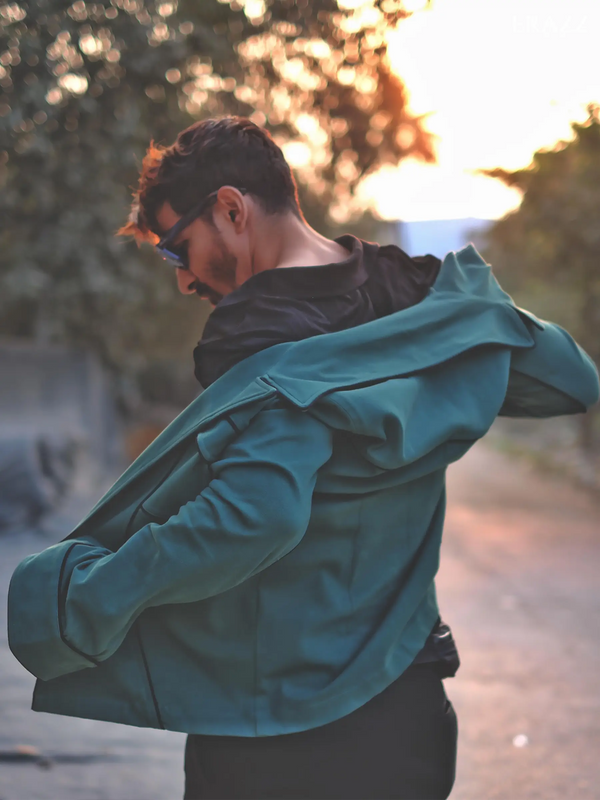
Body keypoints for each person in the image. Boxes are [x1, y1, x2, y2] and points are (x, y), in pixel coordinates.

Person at [7, 117, 599, 800]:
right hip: (409, 708)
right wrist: (463, 309)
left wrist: (91, 597)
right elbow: (569, 376)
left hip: (282, 736)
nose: (183, 281)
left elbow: (249, 519)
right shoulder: (415, 294)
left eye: (179, 250)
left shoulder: (261, 339)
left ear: (232, 209)